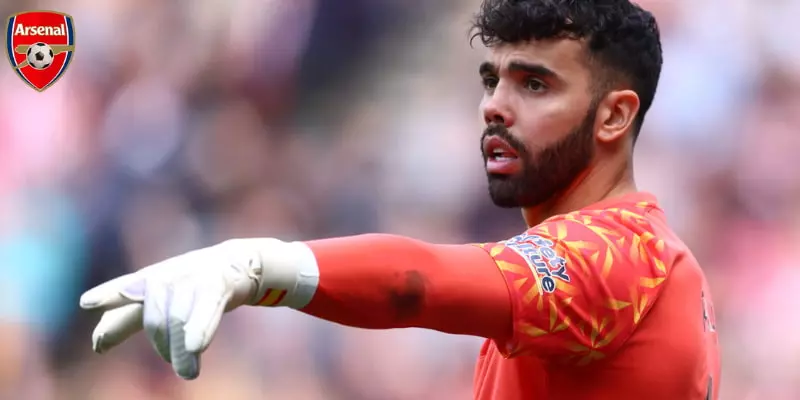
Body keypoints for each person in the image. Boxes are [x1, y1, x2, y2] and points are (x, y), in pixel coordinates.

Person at [79, 0, 721, 399]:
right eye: (492, 80)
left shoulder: (619, 255)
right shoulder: (640, 266)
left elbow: (417, 282)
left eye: (535, 85)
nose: (495, 106)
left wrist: (259, 267)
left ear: (614, 116)